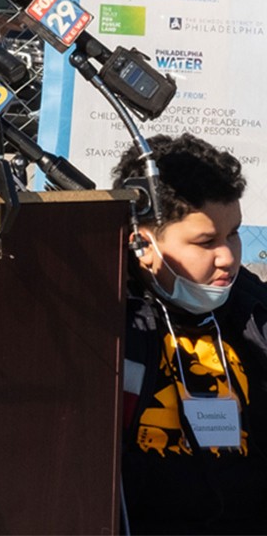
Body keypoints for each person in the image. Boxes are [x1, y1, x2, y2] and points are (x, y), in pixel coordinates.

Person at [112, 133, 267, 535]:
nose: (229, 257)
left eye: (233, 234)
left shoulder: (252, 311)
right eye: (206, 242)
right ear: (142, 244)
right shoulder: (116, 323)